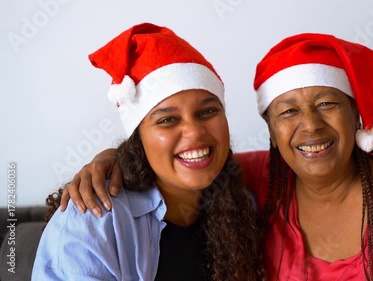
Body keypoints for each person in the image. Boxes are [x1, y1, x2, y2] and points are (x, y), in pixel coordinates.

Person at [61, 32, 373, 280]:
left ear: (356, 116)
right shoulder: (257, 177)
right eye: (288, 111)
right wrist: (110, 157)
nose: (311, 126)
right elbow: (191, 161)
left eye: (327, 103)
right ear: (271, 128)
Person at [32, 22, 264, 281]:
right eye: (168, 120)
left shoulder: (241, 202)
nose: (196, 132)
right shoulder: (92, 218)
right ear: (138, 138)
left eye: (207, 112)